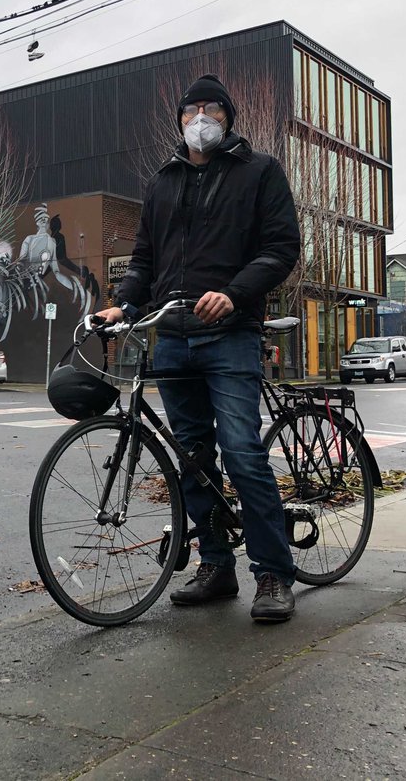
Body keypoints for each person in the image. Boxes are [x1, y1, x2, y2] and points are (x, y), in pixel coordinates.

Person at [96, 73, 302, 623]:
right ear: (180, 120)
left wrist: (234, 295)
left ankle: (274, 573)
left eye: (212, 109)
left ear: (229, 117)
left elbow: (282, 249)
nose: (201, 118)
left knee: (240, 451)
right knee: (192, 460)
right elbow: (144, 262)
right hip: (174, 339)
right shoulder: (162, 183)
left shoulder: (259, 172)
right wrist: (123, 305)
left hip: (230, 335)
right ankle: (216, 565)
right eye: (191, 110)